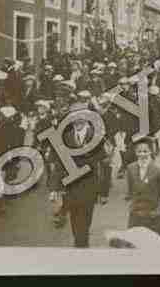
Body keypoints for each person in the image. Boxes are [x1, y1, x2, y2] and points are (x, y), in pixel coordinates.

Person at [47, 102, 113, 247]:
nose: (77, 121)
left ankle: (81, 246)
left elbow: (105, 166)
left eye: (81, 117)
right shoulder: (66, 137)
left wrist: (104, 192)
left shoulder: (97, 137)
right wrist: (54, 188)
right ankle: (81, 244)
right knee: (75, 222)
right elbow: (59, 164)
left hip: (90, 188)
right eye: (74, 118)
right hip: (70, 188)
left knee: (84, 222)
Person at [126, 137, 160, 236]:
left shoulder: (158, 172)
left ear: (151, 152)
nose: (142, 154)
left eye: (145, 151)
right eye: (139, 151)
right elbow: (131, 190)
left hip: (153, 216)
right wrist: (132, 204)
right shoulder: (130, 168)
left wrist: (159, 210)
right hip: (136, 215)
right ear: (135, 152)